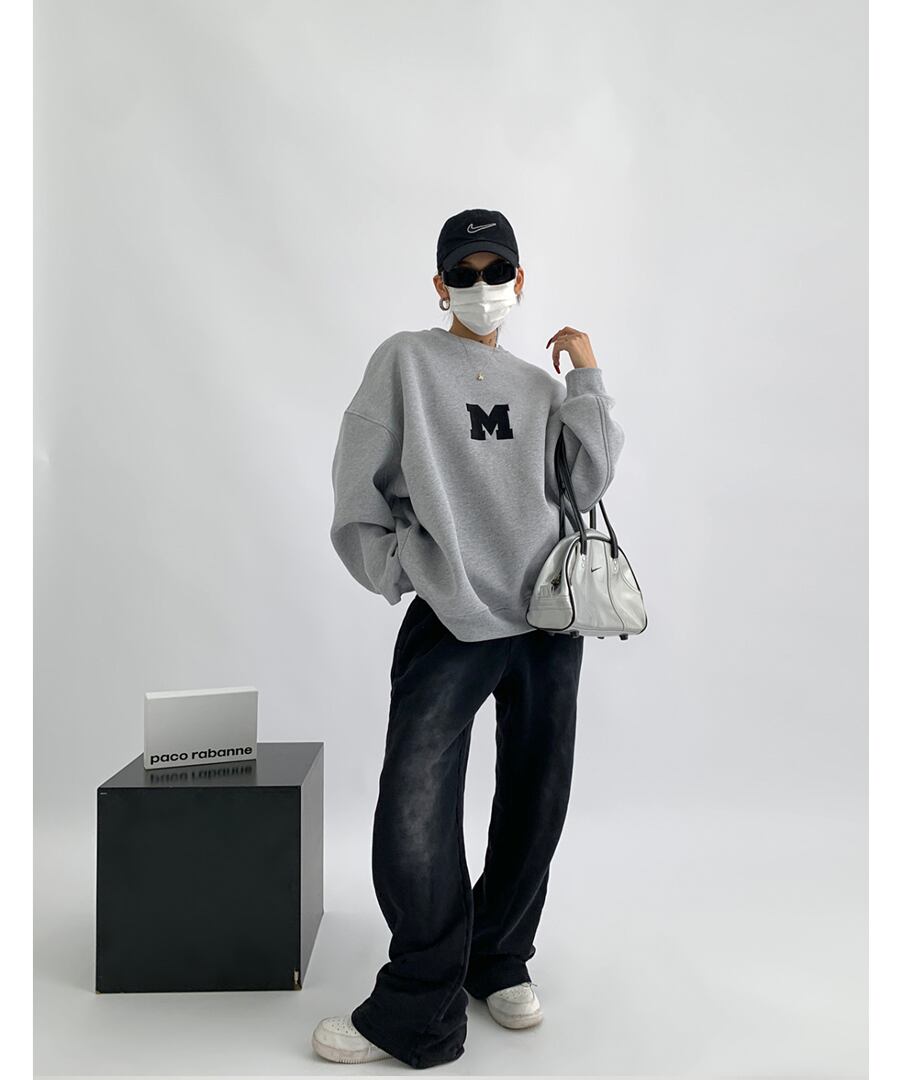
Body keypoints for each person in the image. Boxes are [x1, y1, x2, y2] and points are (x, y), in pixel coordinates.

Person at [313, 208, 626, 1069]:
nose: (481, 288)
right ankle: (420, 1002)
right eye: (465, 272)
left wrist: (587, 376)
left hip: (548, 620)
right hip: (454, 619)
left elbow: (585, 482)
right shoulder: (405, 363)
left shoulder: (538, 386)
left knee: (537, 796)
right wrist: (403, 568)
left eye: (496, 273)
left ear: (519, 282)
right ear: (440, 283)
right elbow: (357, 487)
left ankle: (498, 957)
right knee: (414, 804)